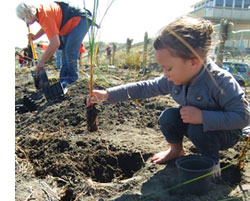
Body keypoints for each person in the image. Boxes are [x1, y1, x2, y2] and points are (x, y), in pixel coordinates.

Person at [88, 16, 250, 176]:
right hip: (196, 125)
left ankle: (212, 162)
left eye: (168, 68)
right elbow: (143, 88)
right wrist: (108, 94)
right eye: (162, 69)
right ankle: (176, 150)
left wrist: (203, 117)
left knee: (197, 129)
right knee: (169, 117)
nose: (165, 74)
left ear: (193, 62)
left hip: (225, 133)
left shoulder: (220, 82)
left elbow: (243, 117)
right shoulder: (174, 79)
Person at [16, 1, 93, 89]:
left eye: (23, 18)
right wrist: (35, 36)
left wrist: (41, 62)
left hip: (80, 20)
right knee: (64, 52)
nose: (25, 22)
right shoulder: (40, 13)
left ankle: (71, 81)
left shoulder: (44, 14)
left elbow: (55, 43)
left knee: (70, 50)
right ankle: (63, 80)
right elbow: (47, 26)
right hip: (67, 25)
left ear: (28, 14)